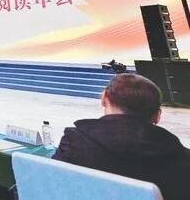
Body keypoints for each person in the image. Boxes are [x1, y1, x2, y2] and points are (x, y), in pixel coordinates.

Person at [53, 73, 190, 200]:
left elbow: (53, 187)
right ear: (157, 115)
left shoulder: (73, 142)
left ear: (104, 98)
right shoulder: (179, 156)